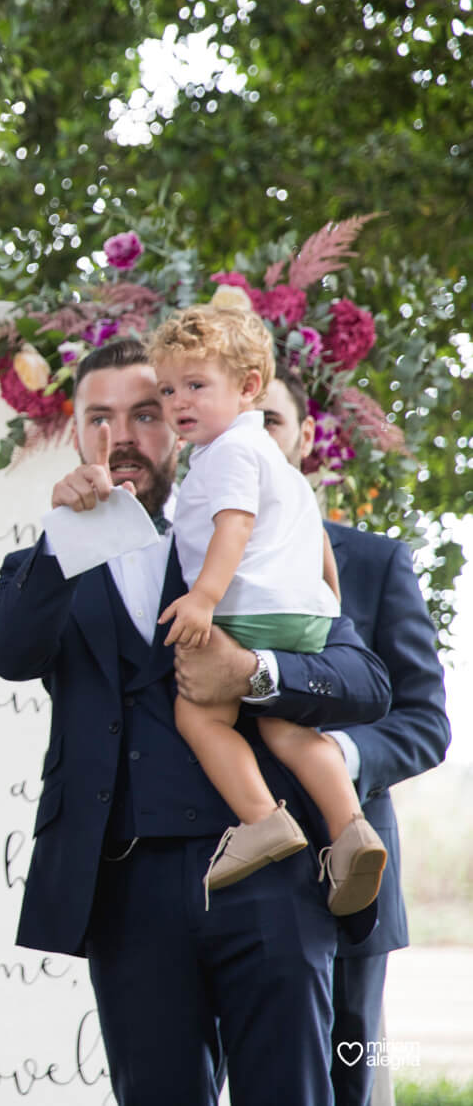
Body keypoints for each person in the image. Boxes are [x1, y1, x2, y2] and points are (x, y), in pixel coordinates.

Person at [0, 334, 390, 1105]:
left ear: (181, 418)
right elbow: (6, 651)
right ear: (74, 432)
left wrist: (254, 674)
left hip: (271, 876)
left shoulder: (260, 536)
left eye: (146, 411)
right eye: (99, 417)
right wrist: (63, 536)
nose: (123, 434)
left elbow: (366, 682)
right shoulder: (51, 554)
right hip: (127, 886)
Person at [144, 308, 383, 912]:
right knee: (287, 725)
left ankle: (261, 820)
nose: (178, 402)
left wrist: (203, 597)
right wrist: (328, 605)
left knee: (201, 716)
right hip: (303, 616)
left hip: (244, 611)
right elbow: (318, 545)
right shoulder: (272, 460)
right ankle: (351, 829)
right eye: (168, 389)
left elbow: (234, 526)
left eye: (196, 385)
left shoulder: (224, 454)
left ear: (248, 386)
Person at [259, 366, 451, 1106]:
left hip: (351, 883)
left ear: (306, 439)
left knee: (349, 1070)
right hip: (226, 878)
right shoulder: (188, 569)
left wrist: (337, 754)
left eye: (269, 422)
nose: (251, 439)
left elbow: (425, 722)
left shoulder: (374, 561)